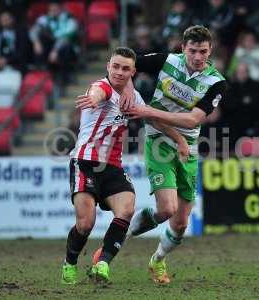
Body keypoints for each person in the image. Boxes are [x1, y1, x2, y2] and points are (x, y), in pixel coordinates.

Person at [61, 47, 187, 284]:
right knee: (86, 224)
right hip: (85, 162)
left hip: (112, 167)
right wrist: (93, 98)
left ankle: (102, 265)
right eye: (116, 66)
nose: (119, 72)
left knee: (127, 209)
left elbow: (153, 120)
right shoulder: (101, 87)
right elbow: (100, 93)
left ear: (133, 71)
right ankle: (69, 262)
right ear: (108, 66)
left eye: (125, 68)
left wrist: (180, 139)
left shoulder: (134, 98)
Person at [124, 25, 226, 284]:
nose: (198, 57)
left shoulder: (216, 82)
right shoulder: (166, 61)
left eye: (203, 51)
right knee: (167, 209)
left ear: (210, 50)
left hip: (188, 147)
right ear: (183, 49)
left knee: (180, 224)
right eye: (193, 51)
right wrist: (127, 90)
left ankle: (157, 260)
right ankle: (120, 237)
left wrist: (147, 111)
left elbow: (193, 121)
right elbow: (124, 64)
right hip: (159, 140)